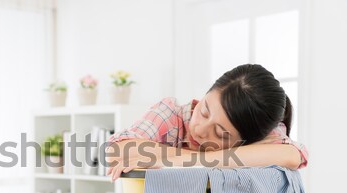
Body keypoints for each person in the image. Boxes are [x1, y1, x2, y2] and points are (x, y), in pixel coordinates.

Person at [105, 64, 308, 181]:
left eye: (220, 134)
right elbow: (116, 151)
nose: (200, 130)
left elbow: (291, 155)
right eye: (204, 111)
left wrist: (181, 161)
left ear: (246, 140)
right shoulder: (172, 115)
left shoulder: (261, 131)